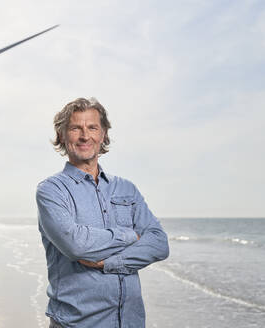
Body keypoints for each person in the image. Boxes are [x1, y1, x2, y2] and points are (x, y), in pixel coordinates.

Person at [36, 98, 169, 328]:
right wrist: (131, 236)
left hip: (130, 321)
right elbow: (76, 244)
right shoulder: (51, 191)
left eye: (92, 128)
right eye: (75, 128)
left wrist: (108, 262)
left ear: (103, 134)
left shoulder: (127, 189)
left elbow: (159, 243)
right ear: (62, 136)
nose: (85, 136)